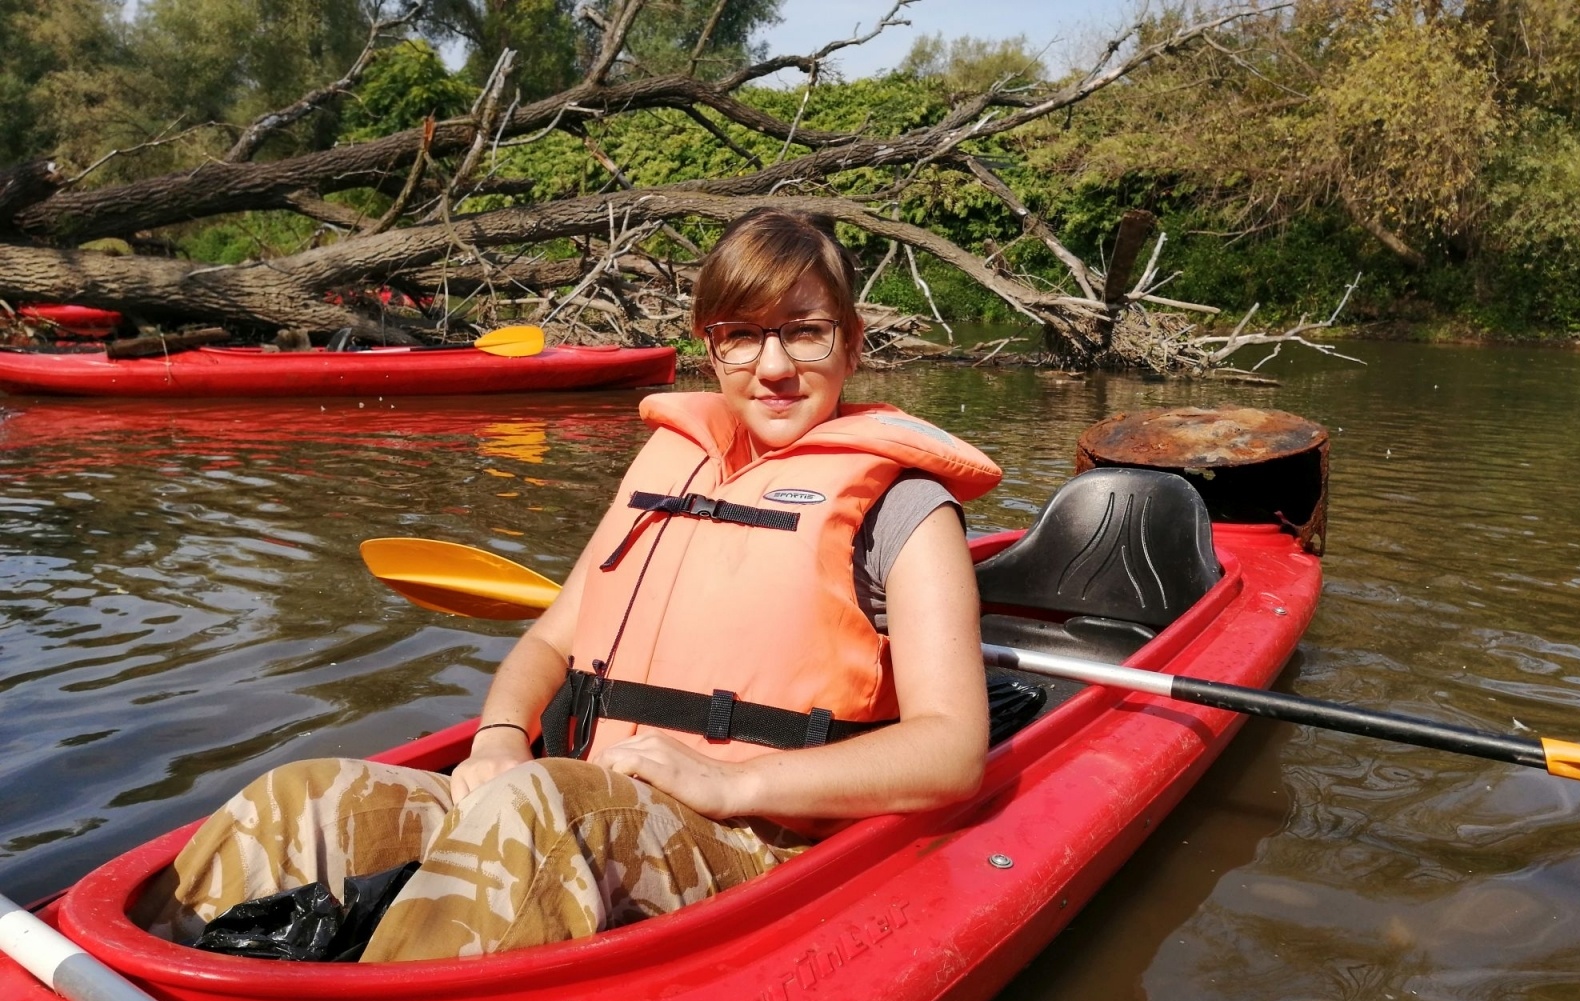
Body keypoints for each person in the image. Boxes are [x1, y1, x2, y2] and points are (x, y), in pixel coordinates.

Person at [144, 209, 1002, 962]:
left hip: (758, 839)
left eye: (804, 332)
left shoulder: (905, 512)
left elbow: (951, 749)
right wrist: (499, 739)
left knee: (548, 813)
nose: (772, 365)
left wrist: (737, 784)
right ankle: (141, 994)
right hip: (567, 793)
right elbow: (554, 638)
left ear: (851, 341)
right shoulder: (672, 466)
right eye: (743, 334)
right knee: (303, 802)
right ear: (713, 347)